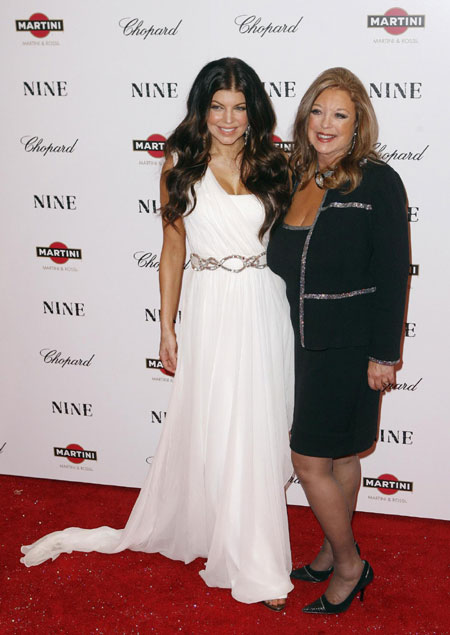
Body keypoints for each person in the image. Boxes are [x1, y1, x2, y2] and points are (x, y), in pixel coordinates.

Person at [21, 58, 295, 610]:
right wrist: (166, 326)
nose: (228, 119)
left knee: (257, 426)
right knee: (218, 422)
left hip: (264, 305)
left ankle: (255, 550)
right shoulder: (179, 163)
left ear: (254, 111)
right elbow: (172, 249)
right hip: (210, 304)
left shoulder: (274, 162)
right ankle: (241, 549)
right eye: (218, 106)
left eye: (240, 108)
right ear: (202, 107)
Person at [267, 67, 409, 614]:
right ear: (304, 119)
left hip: (348, 347)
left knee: (309, 460)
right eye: (318, 113)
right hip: (296, 342)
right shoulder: (293, 176)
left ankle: (351, 565)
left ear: (358, 125)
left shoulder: (377, 181)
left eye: (340, 115)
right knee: (343, 454)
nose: (326, 124)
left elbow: (394, 270)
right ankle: (330, 549)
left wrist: (384, 353)